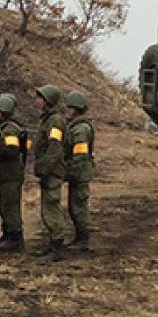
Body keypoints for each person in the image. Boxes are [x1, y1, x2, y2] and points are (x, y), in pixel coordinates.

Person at [30, 84, 66, 261]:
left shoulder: (55, 121)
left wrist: (45, 167)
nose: (37, 100)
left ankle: (57, 248)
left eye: (40, 98)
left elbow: (55, 147)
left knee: (52, 207)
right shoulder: (48, 119)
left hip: (52, 170)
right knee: (48, 207)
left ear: (47, 101)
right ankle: (53, 245)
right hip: (49, 169)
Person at [0, 94, 26, 252]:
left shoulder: (10, 130)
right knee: (2, 206)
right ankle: (7, 234)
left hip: (10, 174)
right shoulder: (2, 128)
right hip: (3, 174)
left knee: (10, 207)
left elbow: (11, 150)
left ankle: (15, 238)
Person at [63, 90, 96, 253]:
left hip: (80, 173)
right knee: (74, 206)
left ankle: (83, 240)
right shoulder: (78, 126)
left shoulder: (81, 129)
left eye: (69, 107)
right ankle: (79, 238)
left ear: (75, 109)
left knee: (78, 207)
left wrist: (69, 173)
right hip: (79, 172)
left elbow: (80, 156)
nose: (66, 110)